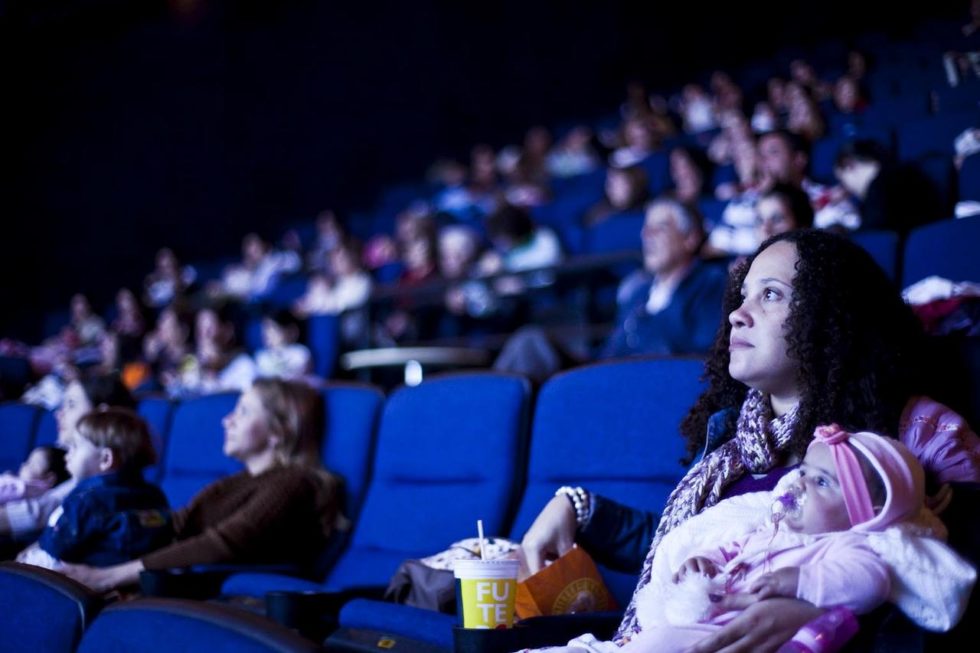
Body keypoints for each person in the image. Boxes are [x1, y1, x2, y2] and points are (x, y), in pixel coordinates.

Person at [520, 229, 980, 651]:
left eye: (771, 295)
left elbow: (944, 584)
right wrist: (579, 509)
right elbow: (686, 555)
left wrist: (825, 614)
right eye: (742, 297)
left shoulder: (913, 435)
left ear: (831, 317)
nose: (738, 315)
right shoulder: (732, 442)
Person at [564, 426, 975, 653]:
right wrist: (702, 561)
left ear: (865, 514)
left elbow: (868, 580)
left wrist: (796, 584)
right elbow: (727, 549)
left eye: (822, 482)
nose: (799, 484)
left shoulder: (846, 546)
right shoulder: (770, 529)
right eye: (804, 473)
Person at [61, 378, 346, 592]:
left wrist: (109, 576)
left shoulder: (292, 483)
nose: (227, 420)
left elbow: (222, 543)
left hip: (217, 601)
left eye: (244, 412)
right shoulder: (239, 481)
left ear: (277, 432)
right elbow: (176, 523)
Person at [494, 198, 726, 383]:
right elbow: (609, 353)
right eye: (646, 228)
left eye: (661, 227)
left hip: (652, 382)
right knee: (530, 343)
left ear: (690, 239)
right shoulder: (638, 293)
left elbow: (699, 357)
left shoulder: (710, 284)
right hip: (609, 377)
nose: (647, 235)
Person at [16, 409, 170, 569]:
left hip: (78, 583)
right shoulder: (155, 494)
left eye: (74, 447)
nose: (67, 455)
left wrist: (27, 558)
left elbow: (57, 547)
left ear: (105, 459)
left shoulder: (85, 498)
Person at [0, 373, 136, 546]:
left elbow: (38, 512)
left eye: (71, 405)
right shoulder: (63, 457)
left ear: (101, 414)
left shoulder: (97, 471)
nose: (59, 414)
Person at [254, 310, 312, 381]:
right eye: (265, 330)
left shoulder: (300, 353)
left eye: (272, 329)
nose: (267, 334)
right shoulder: (262, 356)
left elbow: (298, 377)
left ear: (292, 331)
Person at [0, 446, 69, 505]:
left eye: (32, 465)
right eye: (28, 462)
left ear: (49, 479)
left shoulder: (25, 489)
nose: (24, 465)